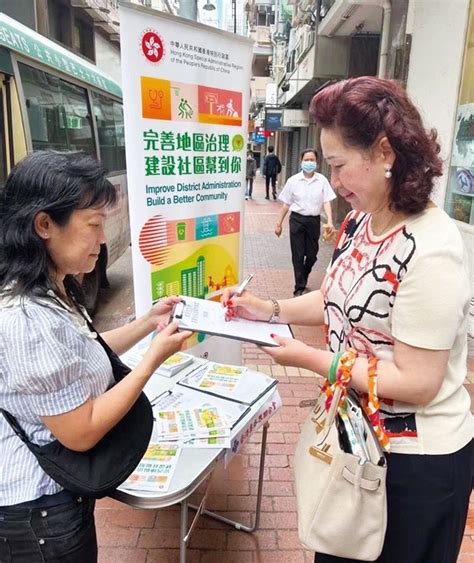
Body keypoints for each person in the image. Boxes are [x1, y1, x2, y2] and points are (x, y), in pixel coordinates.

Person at [223, 76, 473, 563]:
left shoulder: (431, 246)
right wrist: (267, 309)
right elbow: (334, 298)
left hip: (412, 467)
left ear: (384, 153)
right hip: (356, 440)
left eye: (338, 165)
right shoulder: (361, 221)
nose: (331, 181)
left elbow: (417, 382)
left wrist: (310, 358)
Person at [0, 151, 192, 562]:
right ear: (44, 224)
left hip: (59, 496)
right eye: (93, 225)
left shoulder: (51, 287)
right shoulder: (24, 317)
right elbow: (80, 430)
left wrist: (146, 323)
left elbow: (85, 351)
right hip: (37, 515)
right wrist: (151, 361)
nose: (103, 240)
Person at [275, 148, 336, 297]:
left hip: (313, 221)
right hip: (296, 220)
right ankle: (299, 287)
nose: (309, 163)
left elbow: (327, 201)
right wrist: (279, 223)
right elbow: (286, 204)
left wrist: (330, 221)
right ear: (301, 161)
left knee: (312, 255)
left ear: (317, 162)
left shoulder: (322, 180)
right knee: (298, 254)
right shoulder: (293, 181)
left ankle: (304, 274)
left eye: (312, 160)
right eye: (306, 160)